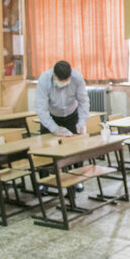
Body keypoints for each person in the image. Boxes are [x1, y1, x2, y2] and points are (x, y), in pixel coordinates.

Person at [35, 60, 89, 191]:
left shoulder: (77, 78)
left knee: (76, 148)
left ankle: (77, 180)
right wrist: (54, 128)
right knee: (45, 150)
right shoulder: (44, 80)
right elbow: (41, 109)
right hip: (52, 116)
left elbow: (83, 101)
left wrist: (82, 122)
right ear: (54, 75)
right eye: (60, 80)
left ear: (70, 75)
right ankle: (44, 182)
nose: (63, 83)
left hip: (71, 115)